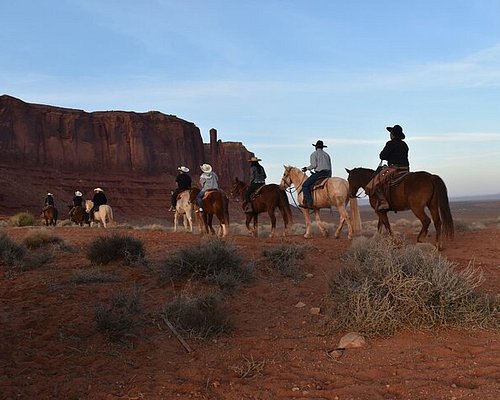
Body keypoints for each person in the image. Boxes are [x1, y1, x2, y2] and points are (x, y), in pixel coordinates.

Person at [371, 124, 410, 211]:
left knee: (376, 181)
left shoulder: (390, 143)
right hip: (405, 169)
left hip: (394, 169)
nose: (390, 135)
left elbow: (382, 156)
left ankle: (384, 202)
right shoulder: (404, 145)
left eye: (391, 133)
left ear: (393, 134)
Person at [301, 140, 332, 208]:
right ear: (322, 147)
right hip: (327, 173)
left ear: (316, 147)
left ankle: (309, 202)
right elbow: (330, 166)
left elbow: (314, 165)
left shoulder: (314, 154)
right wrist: (330, 176)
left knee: (305, 186)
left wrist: (306, 168)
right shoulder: (327, 155)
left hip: (319, 174)